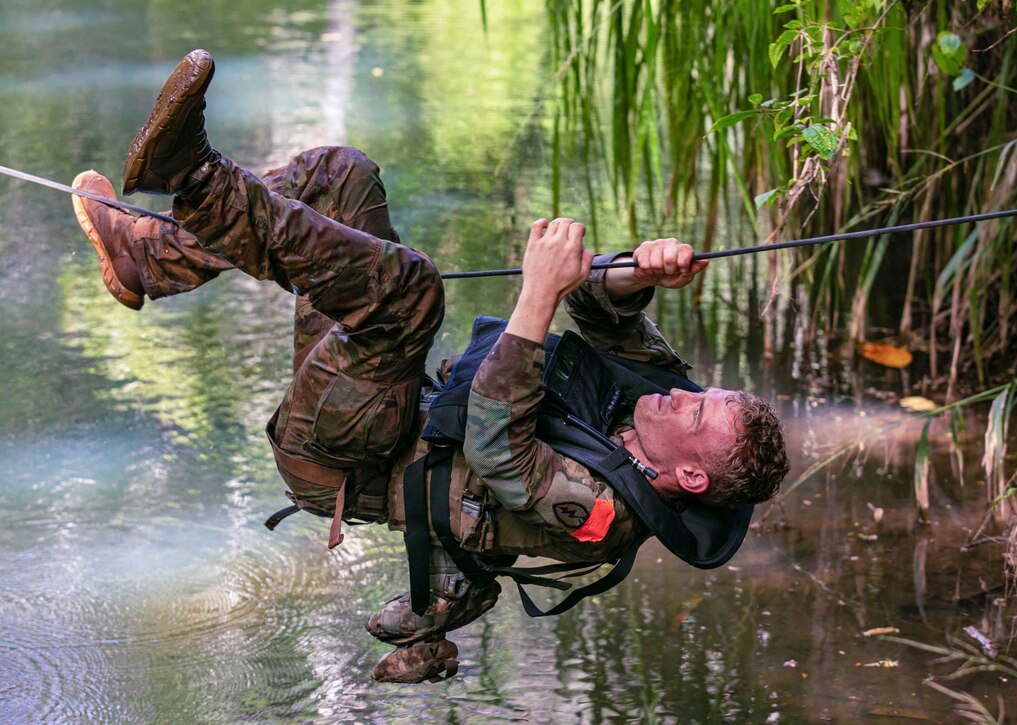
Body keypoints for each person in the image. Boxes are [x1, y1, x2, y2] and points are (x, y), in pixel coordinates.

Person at [72, 50, 789, 683]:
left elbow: (493, 446)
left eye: (694, 411)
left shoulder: (599, 514)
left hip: (344, 457)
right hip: (378, 405)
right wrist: (644, 271)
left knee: (410, 293)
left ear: (688, 476)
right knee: (341, 177)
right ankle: (148, 257)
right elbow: (608, 311)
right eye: (699, 394)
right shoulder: (660, 408)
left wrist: (538, 295)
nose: (677, 395)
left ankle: (192, 175)